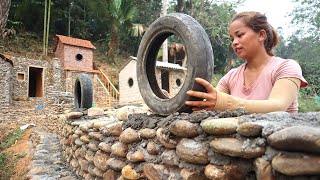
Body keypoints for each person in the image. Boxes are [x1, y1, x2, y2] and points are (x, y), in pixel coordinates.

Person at [185, 11, 308, 113]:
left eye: (240, 35)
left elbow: (278, 106)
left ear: (261, 35)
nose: (234, 42)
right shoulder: (231, 77)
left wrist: (226, 103)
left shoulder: (285, 67)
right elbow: (212, 102)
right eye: (232, 39)